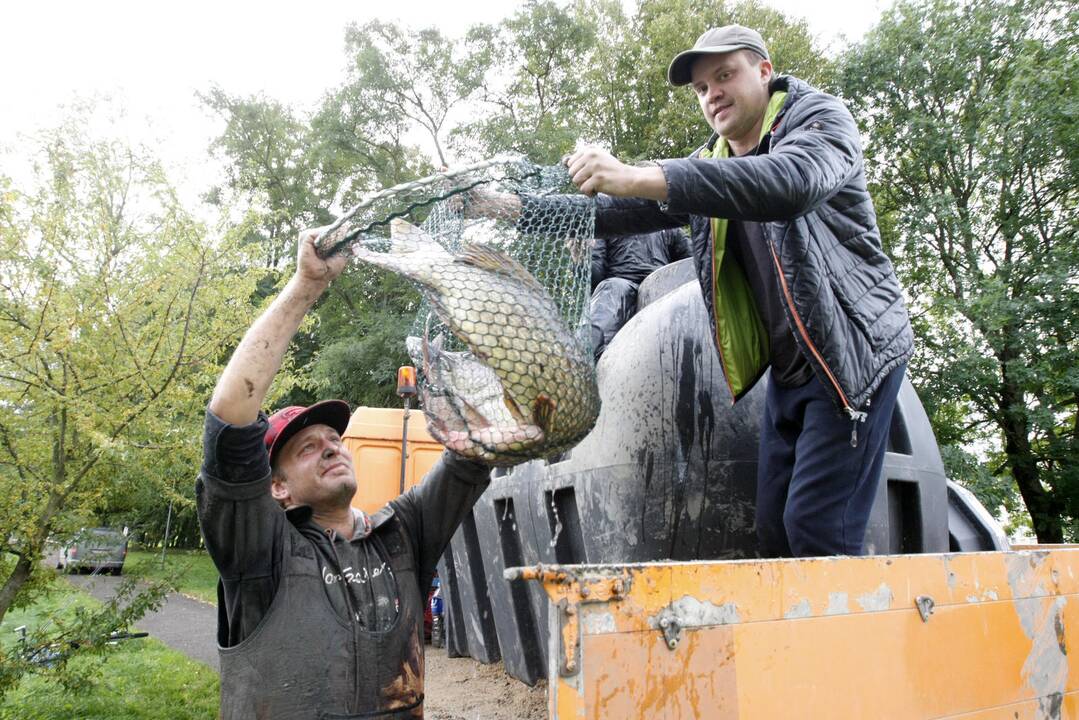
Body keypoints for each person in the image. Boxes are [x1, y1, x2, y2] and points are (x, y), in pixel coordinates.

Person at [472, 25, 913, 558]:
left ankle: (852, 639)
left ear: (764, 72)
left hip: (851, 356)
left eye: (724, 76)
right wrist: (508, 209)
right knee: (774, 531)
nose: (713, 95)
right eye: (702, 88)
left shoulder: (819, 120)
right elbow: (614, 212)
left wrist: (639, 174)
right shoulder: (714, 162)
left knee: (819, 532)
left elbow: (789, 183)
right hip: (790, 370)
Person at [197, 227, 491, 719]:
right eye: (308, 448)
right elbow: (229, 421)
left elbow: (471, 454)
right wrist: (306, 287)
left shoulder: (402, 533)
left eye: (335, 440)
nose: (331, 447)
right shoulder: (260, 551)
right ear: (278, 487)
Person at [589, 226, 690, 360]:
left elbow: (692, 264)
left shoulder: (669, 227)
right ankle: (592, 358)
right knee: (613, 288)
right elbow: (594, 276)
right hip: (621, 285)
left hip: (660, 286)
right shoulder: (607, 225)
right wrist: (583, 257)